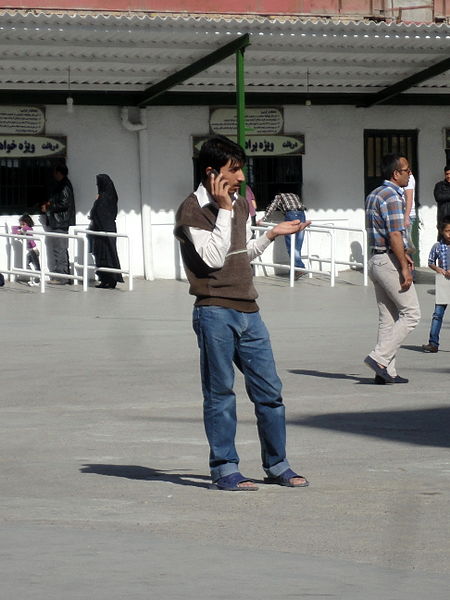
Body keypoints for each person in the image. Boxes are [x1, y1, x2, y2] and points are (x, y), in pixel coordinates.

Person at [174, 135, 311, 491]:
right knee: (220, 394)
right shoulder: (191, 210)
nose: (240, 178)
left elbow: (239, 254)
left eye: (241, 169)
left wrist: (272, 234)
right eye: (234, 170)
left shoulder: (239, 206)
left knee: (270, 391)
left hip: (249, 309)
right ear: (211, 172)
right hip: (214, 311)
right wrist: (221, 209)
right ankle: (224, 468)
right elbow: (214, 259)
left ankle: (277, 464)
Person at [364, 153, 421, 385]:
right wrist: (404, 269)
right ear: (395, 174)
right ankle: (379, 359)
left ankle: (386, 371)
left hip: (375, 260)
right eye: (407, 170)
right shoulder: (392, 196)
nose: (410, 174)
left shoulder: (374, 194)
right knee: (412, 314)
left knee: (388, 318)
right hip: (388, 261)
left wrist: (405, 256)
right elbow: (395, 234)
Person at [260, 189, 307, 280]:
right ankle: (294, 269)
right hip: (302, 214)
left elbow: (271, 208)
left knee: (291, 244)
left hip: (291, 215)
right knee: (298, 244)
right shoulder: (295, 195)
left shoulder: (279, 196)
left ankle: (299, 267)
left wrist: (263, 219)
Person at [41, 163, 75, 285]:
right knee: (60, 249)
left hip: (61, 222)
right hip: (59, 221)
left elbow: (64, 203)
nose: (53, 175)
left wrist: (49, 208)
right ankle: (64, 275)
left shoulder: (64, 186)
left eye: (55, 172)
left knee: (59, 249)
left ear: (59, 173)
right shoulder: (62, 185)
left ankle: (62, 277)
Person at [89, 174, 123, 289]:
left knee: (106, 255)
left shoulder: (104, 197)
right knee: (104, 255)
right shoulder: (109, 196)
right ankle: (106, 280)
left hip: (104, 230)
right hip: (104, 230)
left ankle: (109, 279)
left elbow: (99, 212)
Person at [421, 217, 450, 353]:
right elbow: (431, 261)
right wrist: (438, 269)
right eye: (447, 231)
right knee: (437, 314)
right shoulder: (437, 246)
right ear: (441, 231)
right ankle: (433, 343)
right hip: (444, 284)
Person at [16, 214, 41, 286]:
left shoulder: (27, 229)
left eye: (22, 224)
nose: (21, 226)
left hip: (33, 249)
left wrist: (18, 230)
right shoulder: (27, 229)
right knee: (31, 265)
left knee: (35, 266)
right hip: (31, 249)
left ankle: (37, 280)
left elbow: (21, 231)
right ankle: (34, 280)